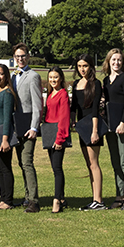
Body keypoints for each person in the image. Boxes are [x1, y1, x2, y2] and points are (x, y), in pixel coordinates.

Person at [102, 48, 124, 211]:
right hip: (110, 127)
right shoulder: (105, 81)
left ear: (123, 63)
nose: (116, 62)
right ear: (108, 61)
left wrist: (123, 122)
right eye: (113, 60)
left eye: (119, 60)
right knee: (116, 163)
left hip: (123, 127)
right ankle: (119, 195)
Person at [10, 44, 42, 212]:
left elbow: (37, 104)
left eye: (23, 56)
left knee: (27, 162)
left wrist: (34, 127)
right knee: (22, 163)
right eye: (17, 56)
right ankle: (27, 196)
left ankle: (34, 201)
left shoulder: (33, 76)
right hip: (17, 124)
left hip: (28, 124)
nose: (20, 59)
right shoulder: (13, 75)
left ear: (28, 57)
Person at [73, 54, 106, 211]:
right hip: (81, 126)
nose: (82, 69)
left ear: (91, 66)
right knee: (89, 164)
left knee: (94, 164)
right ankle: (94, 199)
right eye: (79, 66)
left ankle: (98, 200)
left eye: (85, 66)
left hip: (93, 126)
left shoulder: (96, 84)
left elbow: (95, 109)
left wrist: (94, 131)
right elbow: (74, 107)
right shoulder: (76, 84)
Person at [0, 64, 17, 209]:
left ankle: (8, 200)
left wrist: (5, 139)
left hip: (3, 134)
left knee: (5, 167)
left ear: (6, 76)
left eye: (1, 74)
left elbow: (7, 118)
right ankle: (3, 198)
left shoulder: (7, 94)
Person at [44, 67, 72, 213]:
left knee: (57, 168)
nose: (53, 80)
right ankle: (61, 198)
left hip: (58, 135)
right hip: (49, 133)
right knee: (55, 168)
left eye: (55, 77)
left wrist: (60, 139)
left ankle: (56, 200)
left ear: (61, 78)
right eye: (50, 77)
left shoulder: (63, 95)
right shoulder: (50, 94)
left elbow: (64, 118)